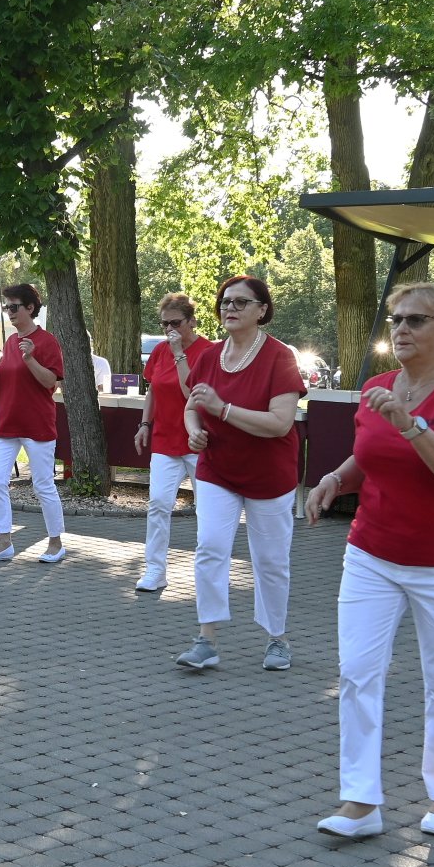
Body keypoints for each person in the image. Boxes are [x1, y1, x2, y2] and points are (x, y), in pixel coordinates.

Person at [305, 283, 434, 840]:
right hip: (372, 553)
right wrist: (337, 479)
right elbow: (368, 455)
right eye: (396, 320)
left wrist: (413, 426)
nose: (403, 330)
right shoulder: (376, 387)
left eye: (417, 320)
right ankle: (360, 802)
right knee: (358, 673)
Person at [177, 275, 304, 671]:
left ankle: (277, 639)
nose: (229, 308)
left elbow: (281, 423)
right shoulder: (208, 356)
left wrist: (223, 410)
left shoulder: (280, 357)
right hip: (218, 469)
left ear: (262, 310)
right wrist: (195, 431)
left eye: (240, 302)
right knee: (210, 547)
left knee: (270, 559)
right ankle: (207, 639)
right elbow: (192, 406)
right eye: (225, 302)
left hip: (269, 476)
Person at [0, 283, 66, 563]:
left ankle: (56, 543)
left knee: (43, 485)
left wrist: (30, 358)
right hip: (6, 423)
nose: (9, 312)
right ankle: (4, 542)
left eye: (14, 307)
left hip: (37, 425)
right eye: (6, 307)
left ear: (30, 308)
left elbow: (52, 382)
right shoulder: (11, 341)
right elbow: (4, 379)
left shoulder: (47, 342)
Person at [132, 293, 215, 593]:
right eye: (164, 323)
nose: (169, 330)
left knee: (207, 509)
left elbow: (190, 390)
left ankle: (208, 571)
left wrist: (179, 352)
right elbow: (153, 389)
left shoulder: (208, 351)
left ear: (191, 321)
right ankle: (155, 569)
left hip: (199, 442)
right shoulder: (159, 351)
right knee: (157, 505)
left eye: (176, 323)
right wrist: (144, 424)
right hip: (165, 440)